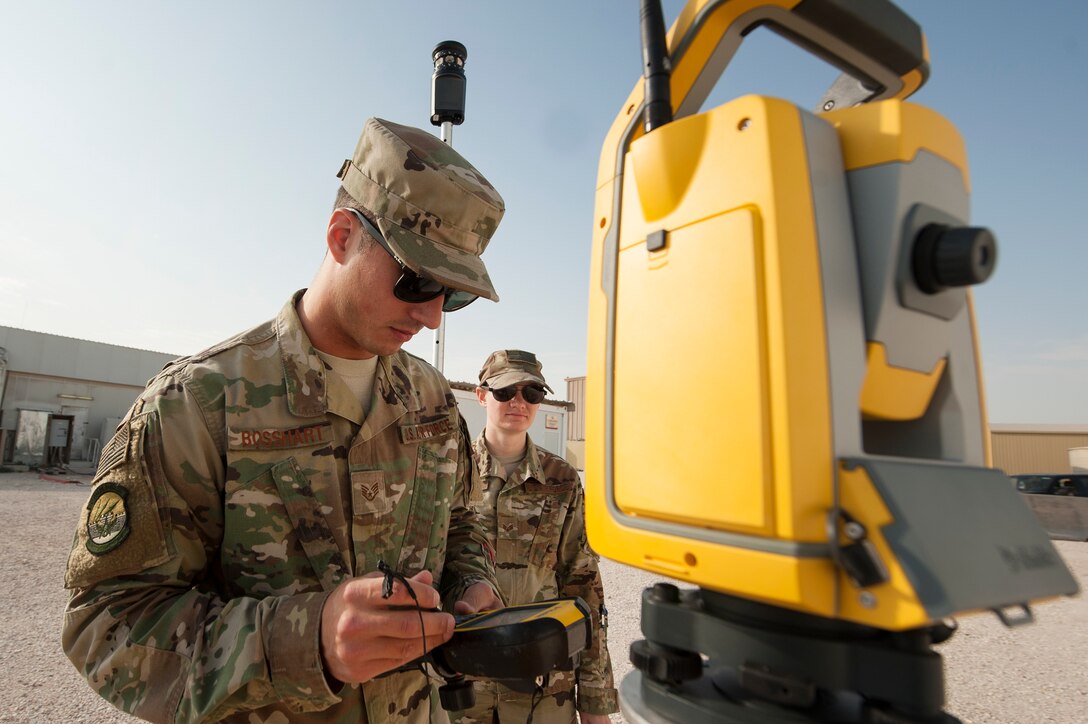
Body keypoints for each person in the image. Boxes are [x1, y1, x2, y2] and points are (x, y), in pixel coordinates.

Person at [62, 117, 507, 723]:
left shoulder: (431, 398)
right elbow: (105, 622)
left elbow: (460, 523)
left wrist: (472, 586)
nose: (431, 318)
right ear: (342, 236)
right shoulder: (198, 403)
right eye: (418, 281)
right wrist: (306, 641)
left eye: (452, 296)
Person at [455, 350, 618, 724]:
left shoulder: (561, 479)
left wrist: (594, 701)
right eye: (505, 391)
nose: (518, 402)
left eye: (531, 393)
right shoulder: (451, 471)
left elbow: (583, 584)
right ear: (481, 396)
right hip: (464, 684)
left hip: (543, 684)